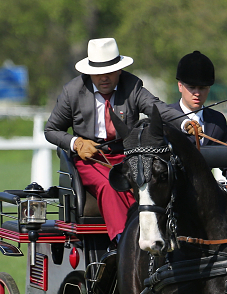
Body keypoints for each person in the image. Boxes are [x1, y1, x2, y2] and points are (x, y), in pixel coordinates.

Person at [45, 37, 200, 243]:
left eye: (110, 71)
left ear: (119, 70)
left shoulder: (132, 86)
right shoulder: (72, 91)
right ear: (89, 72)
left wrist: (184, 123)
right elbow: (51, 130)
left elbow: (157, 108)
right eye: (98, 73)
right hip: (89, 159)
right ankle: (124, 240)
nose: (104, 78)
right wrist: (77, 143)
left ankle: (165, 234)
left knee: (150, 181)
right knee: (111, 184)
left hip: (127, 155)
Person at [168, 51, 227, 185]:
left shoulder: (217, 121)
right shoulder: (165, 118)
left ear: (209, 88)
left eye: (202, 88)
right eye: (192, 87)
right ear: (180, 86)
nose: (197, 93)